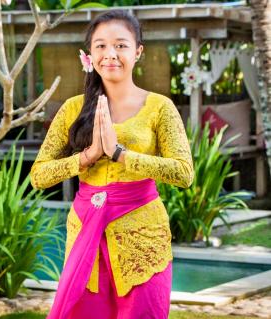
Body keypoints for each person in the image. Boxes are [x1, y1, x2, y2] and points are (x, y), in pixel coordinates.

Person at [30, 10, 194, 319]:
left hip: (143, 234)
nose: (111, 54)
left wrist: (120, 154)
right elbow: (39, 176)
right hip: (84, 229)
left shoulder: (159, 107)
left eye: (121, 45)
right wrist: (88, 156)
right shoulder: (73, 109)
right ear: (88, 55)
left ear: (138, 52)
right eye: (101, 46)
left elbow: (183, 173)